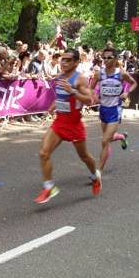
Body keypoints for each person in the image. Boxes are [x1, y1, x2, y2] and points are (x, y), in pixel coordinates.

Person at [34, 48, 101, 204]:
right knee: (44, 152)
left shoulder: (80, 80)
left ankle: (95, 176)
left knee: (85, 157)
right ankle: (49, 187)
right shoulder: (61, 76)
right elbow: (61, 96)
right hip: (59, 122)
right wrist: (54, 104)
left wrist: (72, 92)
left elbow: (88, 101)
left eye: (68, 60)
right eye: (63, 59)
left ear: (77, 62)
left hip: (74, 125)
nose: (64, 62)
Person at [90, 47, 137, 175]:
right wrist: (94, 96)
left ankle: (98, 171)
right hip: (103, 109)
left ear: (115, 59)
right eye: (104, 57)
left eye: (109, 57)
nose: (106, 60)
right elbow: (91, 88)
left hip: (115, 110)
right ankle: (122, 137)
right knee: (108, 139)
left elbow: (134, 83)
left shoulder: (121, 73)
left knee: (105, 141)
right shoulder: (99, 74)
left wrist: (127, 92)